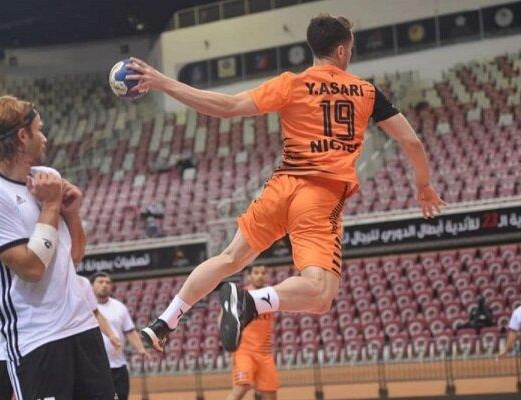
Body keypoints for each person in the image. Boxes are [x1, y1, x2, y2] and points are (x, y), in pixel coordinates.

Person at [136, 13, 445, 352]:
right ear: (342, 51)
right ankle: (250, 302)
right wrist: (424, 185)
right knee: (322, 294)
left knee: (229, 258)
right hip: (320, 197)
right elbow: (412, 142)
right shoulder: (367, 92)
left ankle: (163, 322)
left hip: (280, 188)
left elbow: (227, 106)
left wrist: (164, 83)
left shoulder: (291, 84)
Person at [0, 96, 114, 399]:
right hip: (36, 336)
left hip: (82, 327)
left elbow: (74, 257)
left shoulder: (48, 179)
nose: (44, 138)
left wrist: (72, 214)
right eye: (39, 130)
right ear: (23, 136)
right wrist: (52, 205)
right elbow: (32, 269)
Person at [91, 272, 150, 400]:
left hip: (118, 366)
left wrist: (140, 349)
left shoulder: (119, 307)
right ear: (91, 286)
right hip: (95, 368)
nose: (104, 285)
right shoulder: (85, 309)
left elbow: (129, 331)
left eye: (107, 282)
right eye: (100, 282)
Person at [226, 266, 277, 400]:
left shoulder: (271, 295)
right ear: (249, 276)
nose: (260, 276)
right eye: (256, 273)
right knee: (241, 387)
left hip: (264, 353)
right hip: (244, 351)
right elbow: (224, 319)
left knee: (271, 395)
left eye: (263, 273)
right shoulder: (241, 296)